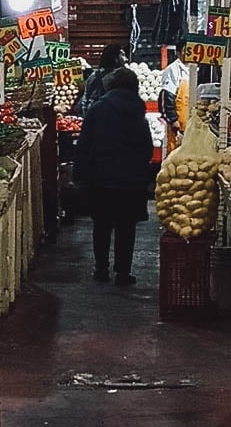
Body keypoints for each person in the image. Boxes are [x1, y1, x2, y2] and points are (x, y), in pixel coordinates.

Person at [74, 67, 154, 285]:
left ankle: (101, 268)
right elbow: (147, 146)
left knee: (101, 225)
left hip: (101, 178)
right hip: (131, 180)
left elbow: (85, 144)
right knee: (126, 227)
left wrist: (80, 174)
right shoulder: (138, 111)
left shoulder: (98, 109)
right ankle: (122, 271)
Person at [77, 44, 127, 115]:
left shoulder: (94, 76)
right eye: (122, 55)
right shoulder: (122, 77)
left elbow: (85, 101)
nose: (126, 59)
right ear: (115, 58)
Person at [158, 44, 189, 153]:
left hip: (192, 127)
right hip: (178, 128)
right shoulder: (173, 70)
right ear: (178, 53)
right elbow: (165, 97)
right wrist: (173, 120)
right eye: (186, 50)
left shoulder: (195, 69)